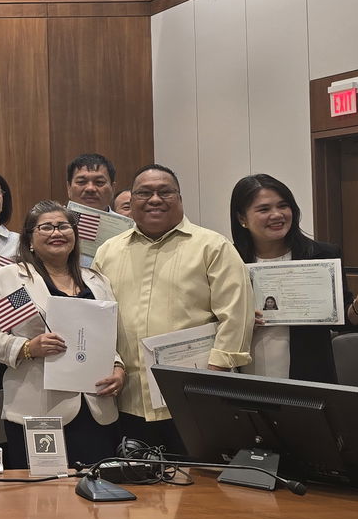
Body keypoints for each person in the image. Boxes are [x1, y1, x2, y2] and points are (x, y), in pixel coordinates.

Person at [93, 165, 253, 448]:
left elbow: (236, 315)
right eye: (144, 193)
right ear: (132, 201)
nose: (155, 199)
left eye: (165, 192)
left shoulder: (213, 246)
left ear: (179, 198)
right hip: (126, 397)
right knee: (137, 483)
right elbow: (97, 318)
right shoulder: (109, 251)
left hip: (193, 398)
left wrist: (214, 375)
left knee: (197, 486)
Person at [0, 202, 125, 468]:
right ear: (29, 239)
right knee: (42, 500)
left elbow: (107, 338)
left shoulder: (97, 281)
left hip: (96, 408)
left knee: (96, 496)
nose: (57, 232)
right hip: (38, 409)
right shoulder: (8, 279)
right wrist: (28, 347)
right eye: (46, 227)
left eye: (64, 226)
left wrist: (118, 367)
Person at [229, 173, 358, 382]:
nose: (277, 215)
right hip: (244, 377)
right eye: (264, 209)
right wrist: (242, 325)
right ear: (242, 219)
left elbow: (343, 323)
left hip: (308, 377)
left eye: (283, 206)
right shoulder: (228, 262)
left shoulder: (321, 255)